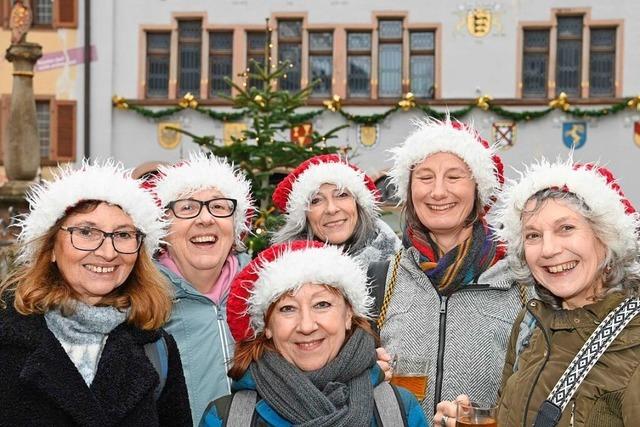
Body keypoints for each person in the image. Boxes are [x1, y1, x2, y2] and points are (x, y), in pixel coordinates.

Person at [435, 159, 640, 427]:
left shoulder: (633, 339)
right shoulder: (530, 323)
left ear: (605, 237)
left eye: (566, 228)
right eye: (533, 235)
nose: (548, 249)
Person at [0, 160, 191, 426]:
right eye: (87, 232)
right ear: (52, 247)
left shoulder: (156, 348)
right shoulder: (8, 339)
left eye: (123, 234)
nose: (108, 252)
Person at [375, 116, 527, 419]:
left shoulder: (520, 282)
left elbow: (537, 392)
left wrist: (486, 416)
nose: (438, 192)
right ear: (409, 191)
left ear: (478, 191)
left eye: (454, 177)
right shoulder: (382, 278)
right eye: (425, 177)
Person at [200, 240, 429, 426]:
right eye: (287, 309)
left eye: (322, 304)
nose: (307, 326)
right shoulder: (226, 418)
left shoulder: (399, 411)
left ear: (349, 314)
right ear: (267, 327)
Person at [152, 152, 255, 424]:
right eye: (187, 207)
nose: (205, 219)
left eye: (219, 207)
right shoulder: (140, 301)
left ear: (235, 225)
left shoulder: (268, 289)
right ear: (164, 227)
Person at [271, 154, 401, 265]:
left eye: (342, 195)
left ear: (358, 204)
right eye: (316, 200)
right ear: (304, 216)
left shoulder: (400, 265)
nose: (331, 209)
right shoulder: (286, 270)